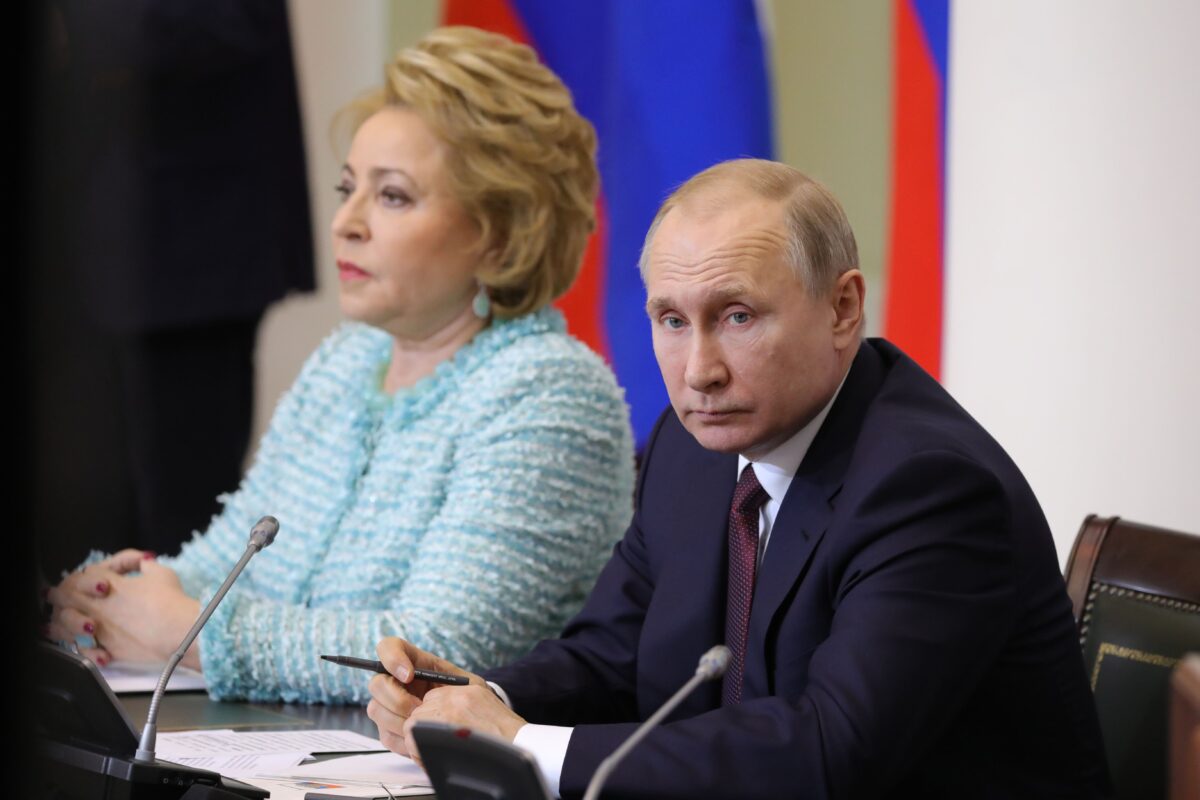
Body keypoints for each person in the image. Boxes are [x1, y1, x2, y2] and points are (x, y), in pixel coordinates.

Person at [365, 159, 1111, 798]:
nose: (699, 371)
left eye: (738, 316)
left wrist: (522, 744)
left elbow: (829, 751)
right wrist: (474, 700)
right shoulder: (692, 447)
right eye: (672, 321)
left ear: (843, 308)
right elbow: (613, 654)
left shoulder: (930, 488)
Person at [45, 26, 635, 705]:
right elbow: (226, 563)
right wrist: (107, 598)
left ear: (501, 237)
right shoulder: (349, 358)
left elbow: (436, 649)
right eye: (347, 188)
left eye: (392, 196)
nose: (345, 223)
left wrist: (191, 632)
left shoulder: (553, 394)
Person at [30, 0, 315, 570]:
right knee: (75, 532)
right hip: (77, 241)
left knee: (177, 536)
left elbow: (231, 21)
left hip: (181, 253)